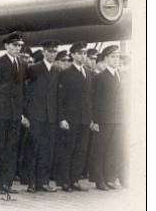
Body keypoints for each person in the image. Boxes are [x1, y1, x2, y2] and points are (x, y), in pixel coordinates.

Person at [0, 32, 30, 194]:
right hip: (1, 111)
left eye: (19, 46)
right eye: (14, 45)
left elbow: (23, 90)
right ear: (7, 46)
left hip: (15, 112)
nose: (17, 48)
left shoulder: (23, 64)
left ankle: (6, 182)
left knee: (11, 148)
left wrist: (23, 113)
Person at [53, 42, 95, 192]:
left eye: (84, 53)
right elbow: (61, 98)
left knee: (81, 150)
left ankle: (75, 179)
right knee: (68, 150)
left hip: (84, 119)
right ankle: (65, 181)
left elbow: (90, 97)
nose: (83, 56)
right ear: (73, 55)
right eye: (80, 53)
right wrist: (62, 118)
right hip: (70, 119)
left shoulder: (89, 73)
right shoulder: (66, 73)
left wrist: (91, 118)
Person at [22, 40, 60, 192]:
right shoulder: (34, 69)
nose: (52, 54)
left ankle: (42, 181)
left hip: (50, 116)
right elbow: (25, 92)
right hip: (36, 115)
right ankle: (30, 181)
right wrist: (26, 114)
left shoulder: (57, 71)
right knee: (33, 149)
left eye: (54, 51)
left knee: (47, 149)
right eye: (50, 51)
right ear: (44, 52)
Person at [91, 45, 127, 189]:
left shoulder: (122, 76)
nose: (115, 60)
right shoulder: (100, 77)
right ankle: (99, 180)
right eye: (112, 57)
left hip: (118, 119)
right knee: (100, 150)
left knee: (114, 149)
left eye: (117, 57)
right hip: (104, 119)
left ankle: (110, 178)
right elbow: (95, 100)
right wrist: (95, 120)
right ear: (105, 59)